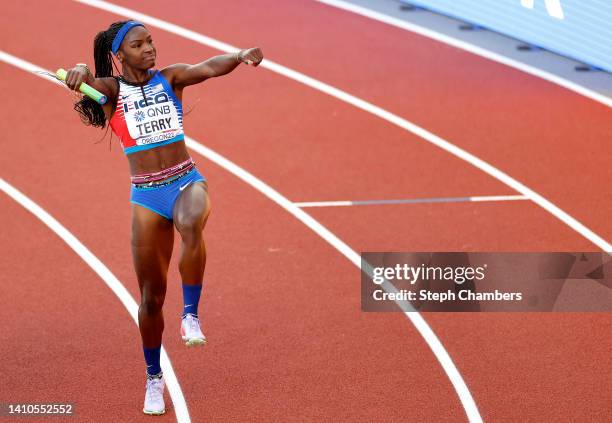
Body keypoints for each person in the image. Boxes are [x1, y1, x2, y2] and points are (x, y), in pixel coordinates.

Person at [64, 20, 263, 416]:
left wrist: (239, 57)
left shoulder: (170, 79)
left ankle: (191, 315)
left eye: (151, 41)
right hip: (147, 196)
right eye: (139, 45)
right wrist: (79, 72)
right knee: (150, 299)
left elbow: (209, 66)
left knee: (192, 223)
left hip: (186, 180)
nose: (150, 49)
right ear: (121, 56)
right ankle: (154, 378)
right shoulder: (111, 91)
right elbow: (86, 77)